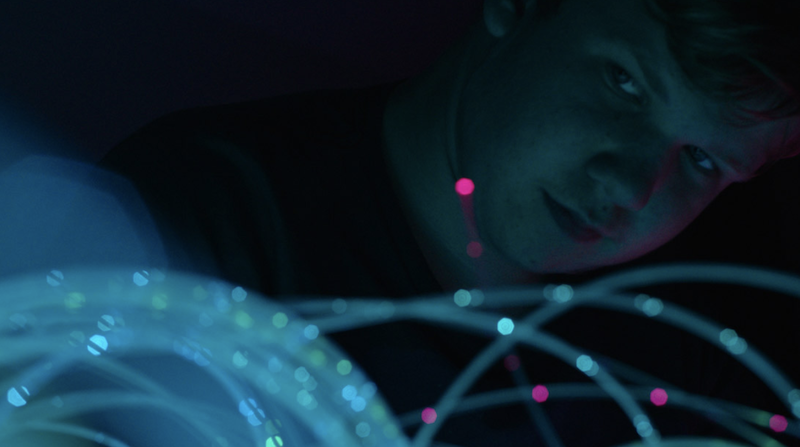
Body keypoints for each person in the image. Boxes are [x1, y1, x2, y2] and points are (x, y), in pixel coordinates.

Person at [95, 0, 800, 445]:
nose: (630, 186)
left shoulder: (712, 324)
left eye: (703, 160)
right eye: (624, 83)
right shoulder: (187, 224)